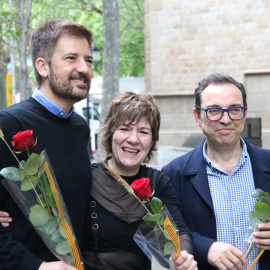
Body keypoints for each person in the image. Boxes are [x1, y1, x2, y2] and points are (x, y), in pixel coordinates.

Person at [0, 19, 93, 270]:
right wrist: (37, 266)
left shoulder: (81, 128)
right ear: (42, 66)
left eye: (89, 60)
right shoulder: (8, 125)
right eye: (71, 58)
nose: (84, 68)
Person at [162, 73, 270, 270]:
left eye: (235, 110)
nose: (226, 119)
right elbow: (168, 234)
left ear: (244, 113)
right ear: (197, 116)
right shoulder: (173, 174)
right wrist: (205, 247)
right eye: (214, 111)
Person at [82, 92, 198, 270]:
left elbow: (179, 230)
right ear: (111, 133)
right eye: (125, 129)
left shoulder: (158, 182)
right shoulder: (87, 179)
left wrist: (184, 256)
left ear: (152, 141)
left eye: (143, 132)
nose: (134, 139)